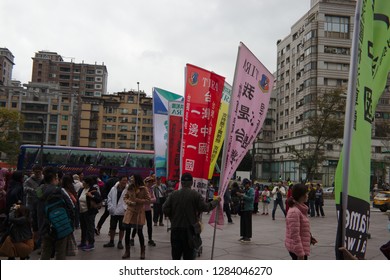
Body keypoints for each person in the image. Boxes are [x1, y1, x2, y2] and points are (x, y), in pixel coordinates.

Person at [162, 172, 220, 260]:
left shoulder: (173, 194)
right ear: (192, 183)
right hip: (189, 231)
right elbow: (206, 207)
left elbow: (164, 208)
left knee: (176, 256)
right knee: (188, 256)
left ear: (181, 182)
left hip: (176, 230)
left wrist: (173, 217)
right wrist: (216, 201)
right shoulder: (195, 195)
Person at [37, 166, 75, 259]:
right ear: (55, 178)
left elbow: (35, 209)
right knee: (60, 253)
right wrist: (70, 223)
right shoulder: (59, 190)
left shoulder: (38, 190)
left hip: (44, 226)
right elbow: (71, 207)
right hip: (60, 225)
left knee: (45, 252)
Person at [285, 183, 317, 260]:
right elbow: (294, 235)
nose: (308, 195)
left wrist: (309, 237)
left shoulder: (300, 209)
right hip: (298, 250)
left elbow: (301, 228)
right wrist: (300, 254)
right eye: (306, 193)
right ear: (301, 195)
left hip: (301, 246)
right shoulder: (294, 212)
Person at [122, 174, 151, 259]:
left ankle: (142, 252)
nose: (131, 179)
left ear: (137, 179)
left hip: (139, 213)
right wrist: (130, 202)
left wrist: (137, 200)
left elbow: (148, 200)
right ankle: (127, 251)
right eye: (130, 178)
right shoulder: (130, 188)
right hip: (129, 212)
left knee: (140, 232)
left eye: (132, 178)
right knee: (127, 233)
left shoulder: (144, 188)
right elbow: (125, 197)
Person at [77, 175, 102, 252]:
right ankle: (83, 242)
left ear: (87, 183)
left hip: (89, 212)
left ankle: (91, 243)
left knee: (90, 228)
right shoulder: (81, 190)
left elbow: (98, 199)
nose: (82, 183)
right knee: (83, 227)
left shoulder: (93, 190)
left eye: (84, 181)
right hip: (82, 212)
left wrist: (91, 196)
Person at [103, 175, 128, 249]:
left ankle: (120, 242)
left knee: (122, 228)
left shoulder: (128, 189)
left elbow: (130, 198)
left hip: (123, 212)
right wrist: (110, 207)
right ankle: (111, 241)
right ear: (119, 181)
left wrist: (125, 208)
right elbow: (109, 197)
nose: (125, 182)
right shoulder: (113, 189)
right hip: (113, 211)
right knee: (112, 227)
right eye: (123, 180)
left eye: (126, 180)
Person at [23, 164, 43, 247]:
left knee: (39, 220)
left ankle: (38, 239)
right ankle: (31, 239)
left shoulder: (43, 178)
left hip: (40, 202)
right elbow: (24, 188)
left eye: (39, 172)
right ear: (33, 171)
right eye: (36, 172)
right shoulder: (29, 180)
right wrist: (32, 190)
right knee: (31, 220)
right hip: (31, 202)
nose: (38, 173)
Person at [95, 169, 119, 235]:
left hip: (109, 200)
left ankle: (98, 227)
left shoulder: (108, 181)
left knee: (105, 214)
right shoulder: (118, 181)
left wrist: (105, 199)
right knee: (114, 216)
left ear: (111, 174)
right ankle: (111, 230)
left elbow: (104, 191)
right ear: (117, 174)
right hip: (116, 201)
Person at [236, 178, 255, 243]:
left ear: (248, 184)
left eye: (245, 184)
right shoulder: (244, 190)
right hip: (243, 208)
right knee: (243, 223)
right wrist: (239, 195)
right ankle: (243, 235)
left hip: (248, 208)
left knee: (248, 223)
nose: (244, 186)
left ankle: (248, 237)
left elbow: (251, 199)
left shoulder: (251, 190)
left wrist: (243, 195)